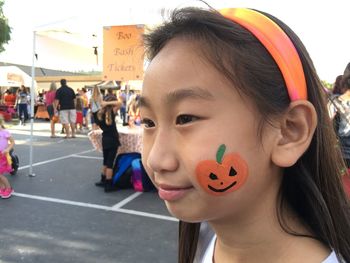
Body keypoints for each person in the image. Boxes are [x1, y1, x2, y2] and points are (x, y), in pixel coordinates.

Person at [140, 7, 350, 263]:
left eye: (186, 118)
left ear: (289, 132)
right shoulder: (207, 237)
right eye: (148, 122)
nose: (156, 160)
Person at [94, 96, 122, 192]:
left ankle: (103, 179)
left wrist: (105, 103)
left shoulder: (99, 114)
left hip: (105, 139)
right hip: (113, 140)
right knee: (110, 163)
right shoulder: (111, 112)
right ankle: (108, 184)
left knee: (105, 161)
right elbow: (120, 103)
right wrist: (107, 103)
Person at [0, 114, 15, 199]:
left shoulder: (5, 132)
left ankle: (9, 188)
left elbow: (12, 142)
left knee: (0, 174)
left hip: (2, 155)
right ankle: (2, 188)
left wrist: (8, 149)